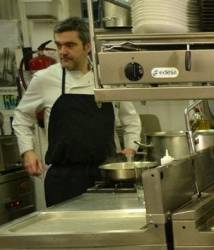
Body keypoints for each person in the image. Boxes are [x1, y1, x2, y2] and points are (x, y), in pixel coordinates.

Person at [13, 17, 141, 207]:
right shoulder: (45, 79)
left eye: (70, 45)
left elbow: (131, 119)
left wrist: (131, 148)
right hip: (64, 180)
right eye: (59, 45)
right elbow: (22, 117)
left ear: (88, 46)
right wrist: (28, 151)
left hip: (107, 175)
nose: (63, 52)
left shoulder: (106, 77)